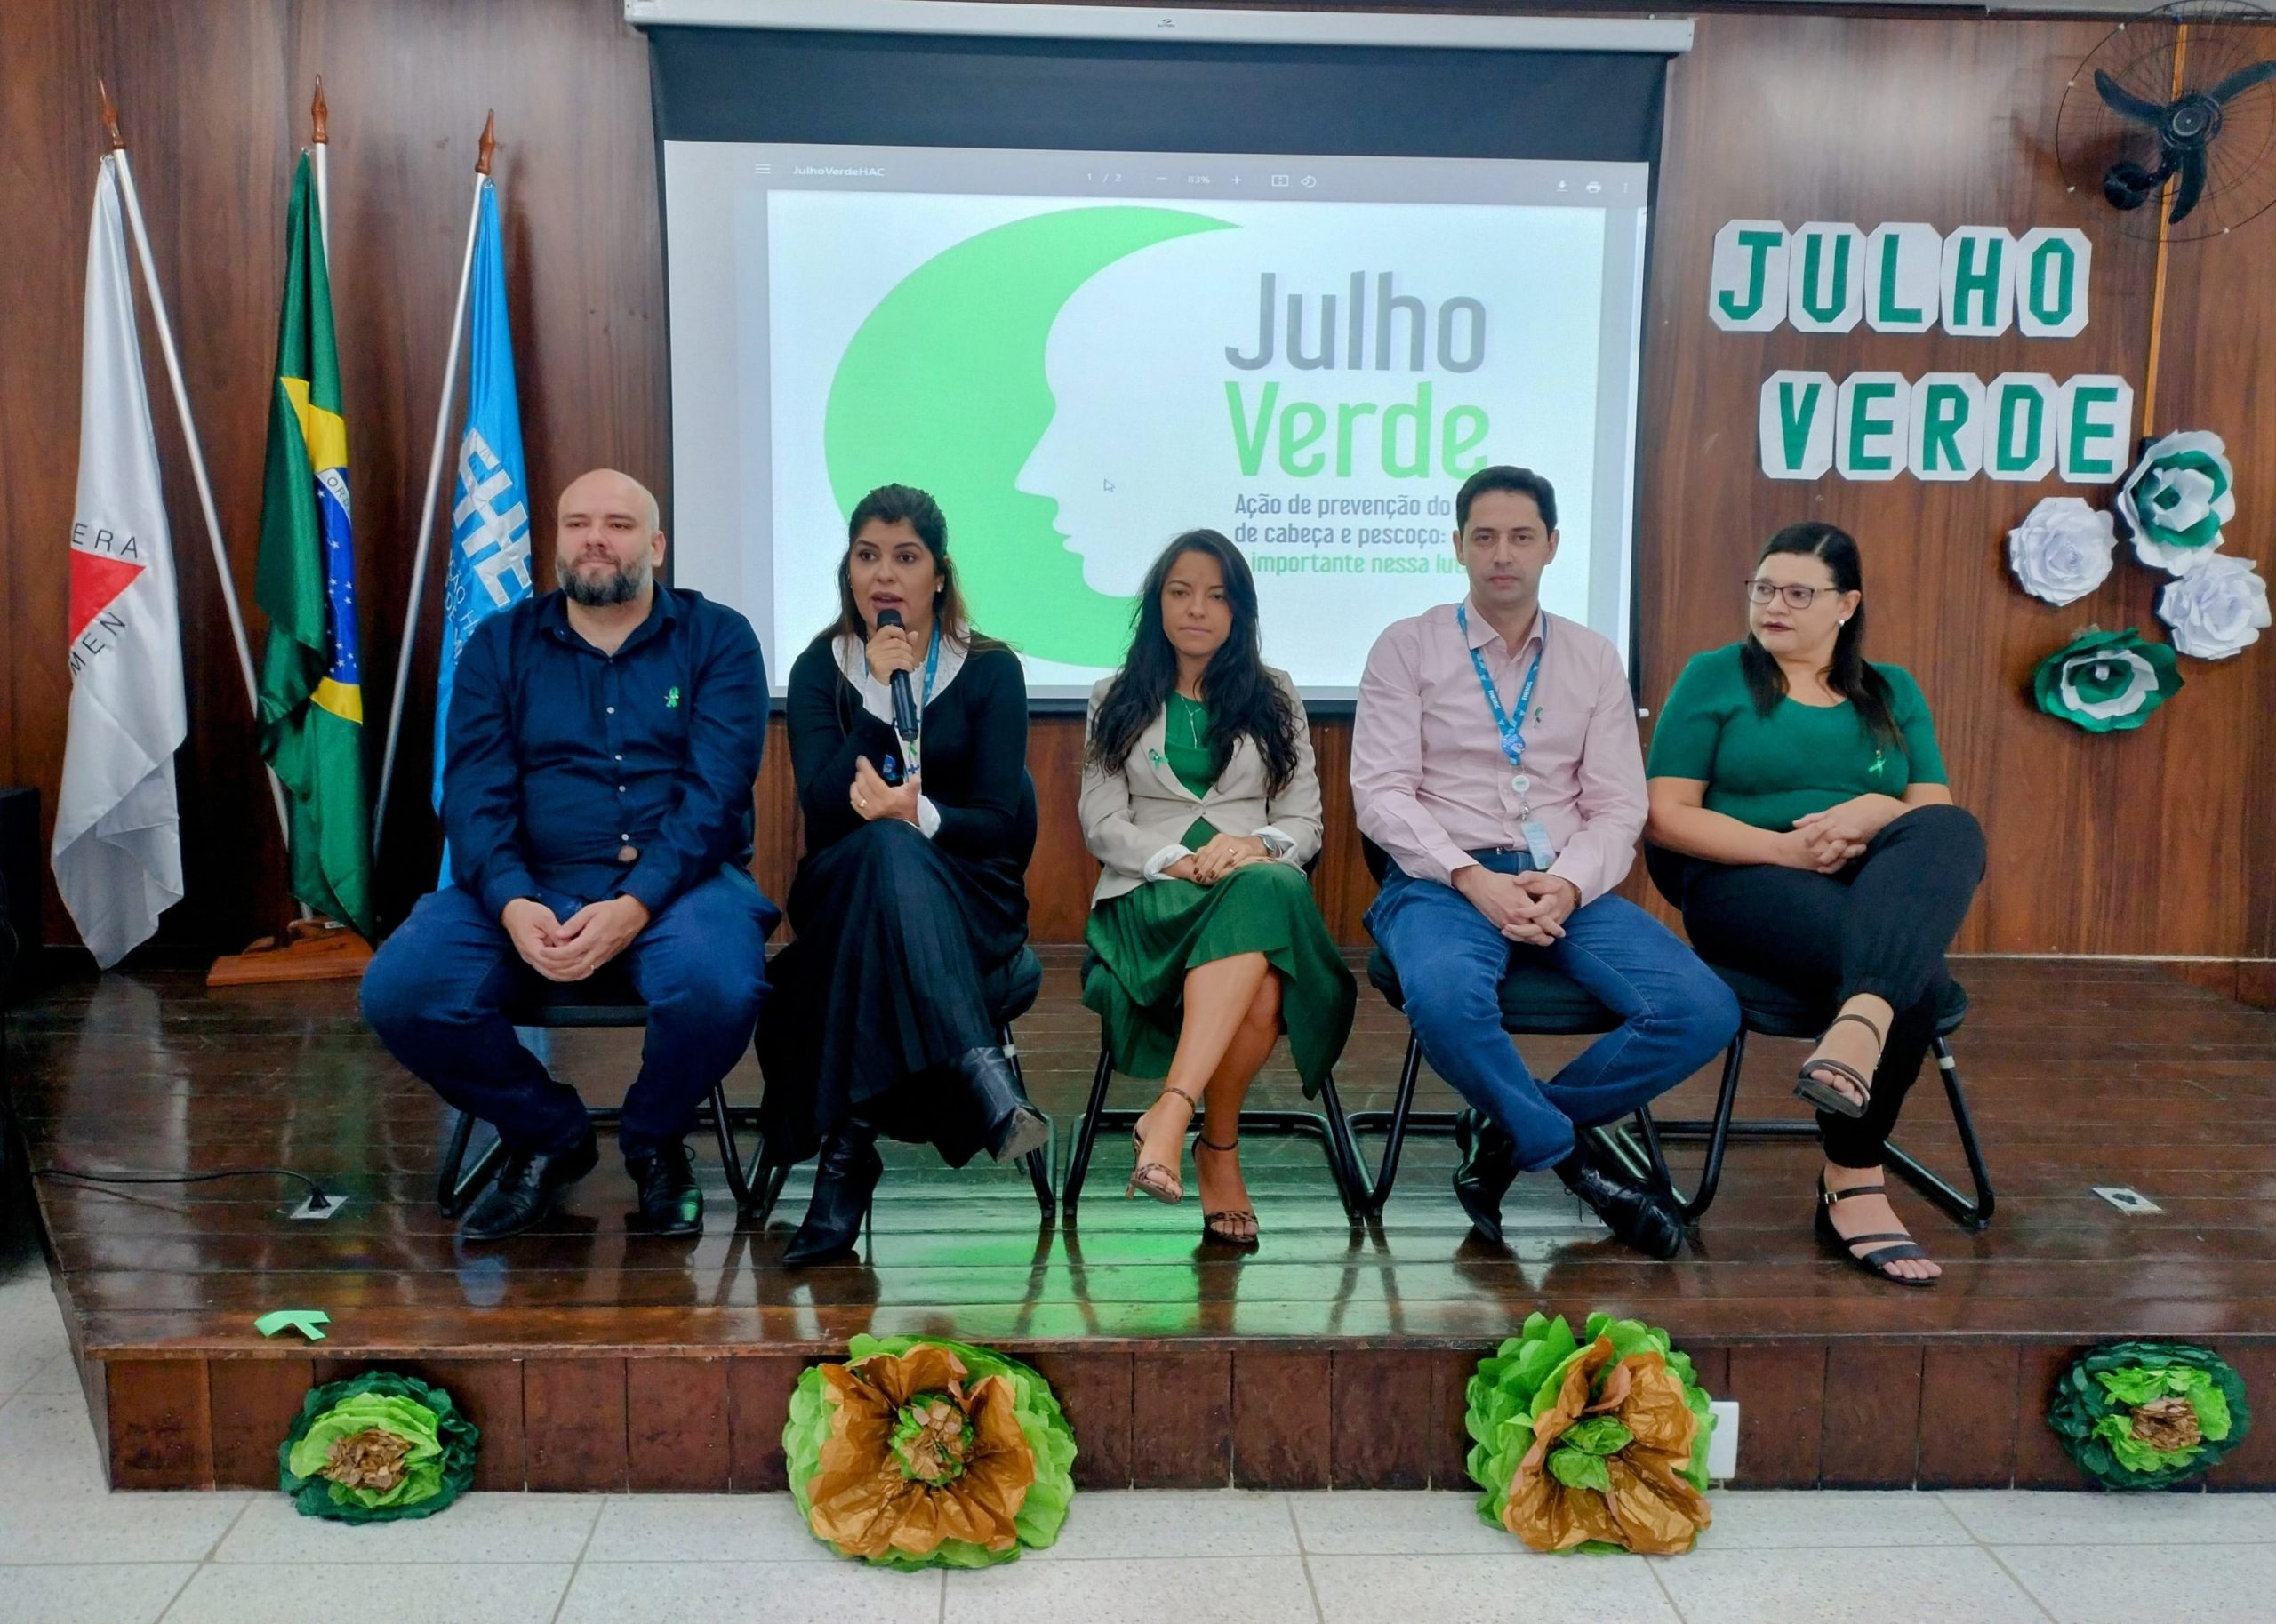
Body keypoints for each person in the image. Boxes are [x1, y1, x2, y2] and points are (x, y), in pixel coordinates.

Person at [363, 468, 777, 1241]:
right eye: (577, 523)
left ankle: (655, 1142)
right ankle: (550, 1134)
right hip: (529, 883)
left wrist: (634, 904)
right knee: (400, 988)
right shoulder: (499, 645)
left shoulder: (719, 639)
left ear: (655, 544)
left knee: (720, 985)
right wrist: (513, 902)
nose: (594, 538)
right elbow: (474, 794)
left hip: (679, 887)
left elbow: (713, 795)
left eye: (617, 524)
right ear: (554, 540)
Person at [1350, 465, 1737, 1258]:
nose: (1503, 554)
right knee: (1447, 999)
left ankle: (1507, 1130)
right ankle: (1579, 1163)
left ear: (1552, 546)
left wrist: (1564, 882)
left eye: (1521, 536)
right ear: (1457, 545)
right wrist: (1470, 876)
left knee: (1704, 1009)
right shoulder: (1407, 647)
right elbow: (1381, 794)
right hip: (1441, 883)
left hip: (1566, 881)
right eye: (1484, 536)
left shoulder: (1591, 657)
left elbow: (1618, 806)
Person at [1644, 522, 1983, 1286]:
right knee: (1920, 983)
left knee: (1954, 830)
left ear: (1846, 603)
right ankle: (1854, 1178)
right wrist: (1785, 849)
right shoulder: (1716, 675)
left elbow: (1932, 812)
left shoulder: (1891, 690)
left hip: (1870, 886)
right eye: (1764, 588)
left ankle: (1857, 1022)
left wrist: (1871, 810)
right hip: (1743, 879)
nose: (1775, 605)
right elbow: (1665, 812)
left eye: (1799, 592)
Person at [759, 484, 1046, 1267]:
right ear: (849, 570)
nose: (885, 574)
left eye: (906, 557)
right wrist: (882, 707)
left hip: (968, 893)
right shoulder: (823, 668)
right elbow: (821, 814)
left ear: (940, 576)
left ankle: (848, 1153)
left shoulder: (991, 671)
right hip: (843, 886)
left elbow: (996, 818)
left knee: (895, 852)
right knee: (880, 855)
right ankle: (979, 1070)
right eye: (867, 555)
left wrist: (917, 817)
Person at [1079, 530, 1356, 1246]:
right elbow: (1102, 822)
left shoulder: (1276, 694)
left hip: (1248, 885)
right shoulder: (1113, 697)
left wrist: (1254, 844)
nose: (1196, 608)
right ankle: (1216, 1148)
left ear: (1240, 609)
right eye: (1180, 592)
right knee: (1264, 962)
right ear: (1157, 603)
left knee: (1265, 890)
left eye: (1216, 594)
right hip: (1150, 904)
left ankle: (1175, 1115)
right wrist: (1172, 856)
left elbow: (1303, 821)